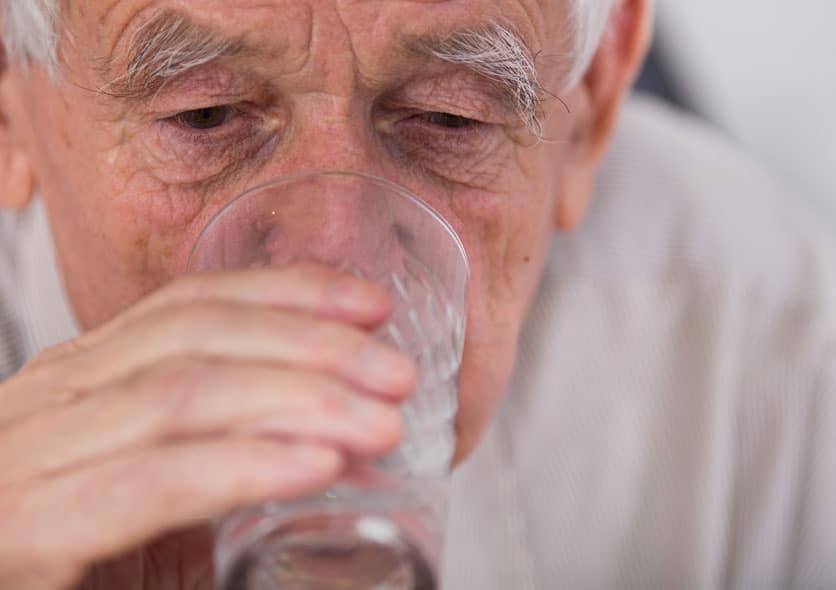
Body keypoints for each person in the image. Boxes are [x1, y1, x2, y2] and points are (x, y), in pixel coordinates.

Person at [0, 1, 833, 589]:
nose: (337, 271)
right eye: (206, 117)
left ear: (591, 101)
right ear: (11, 101)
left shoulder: (770, 343)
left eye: (449, 119)